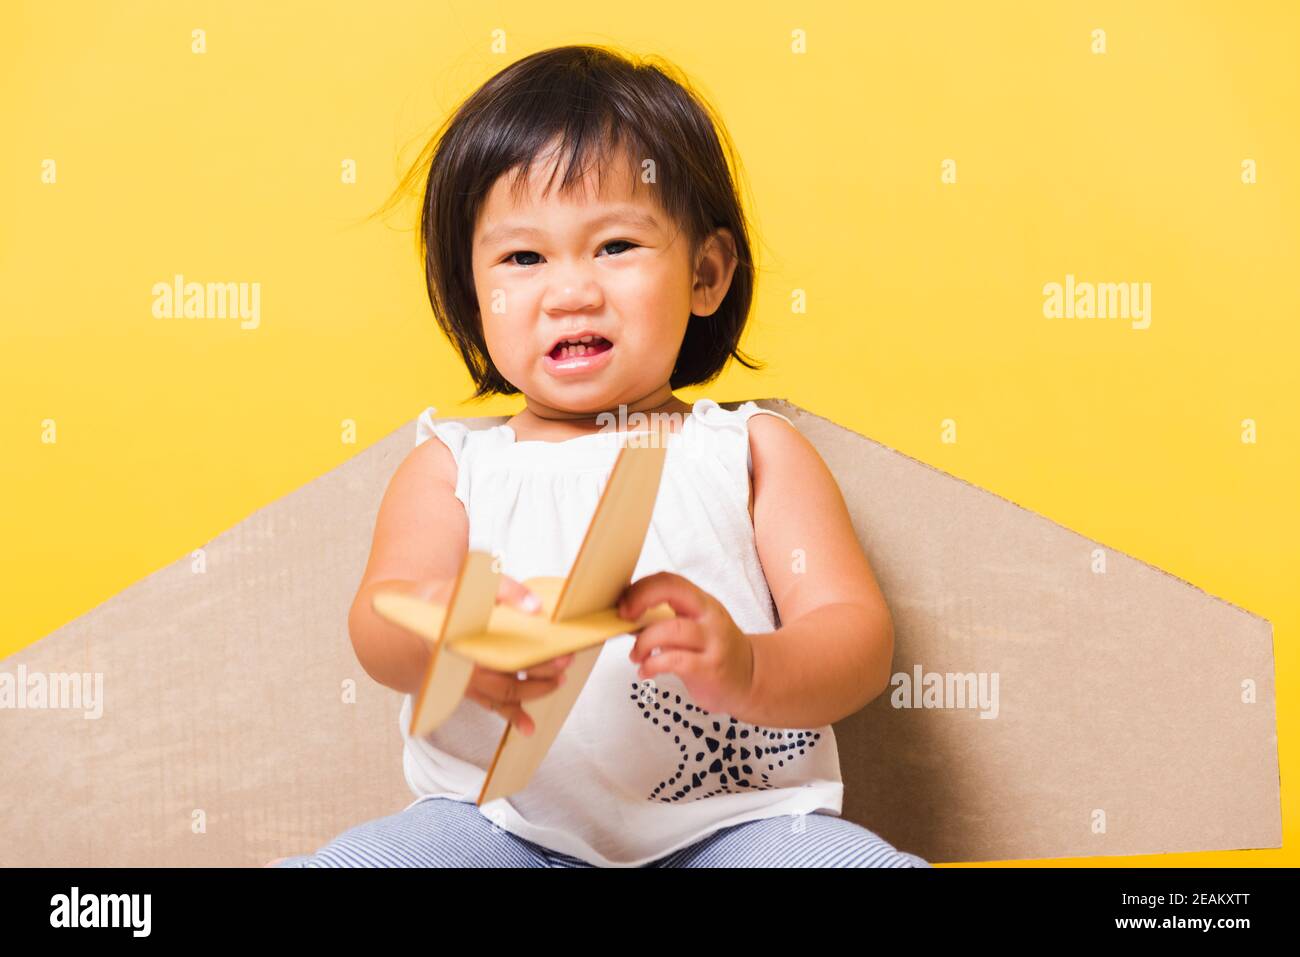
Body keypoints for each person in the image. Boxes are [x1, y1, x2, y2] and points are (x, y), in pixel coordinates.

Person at [274, 44, 930, 868]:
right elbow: (375, 624)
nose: (571, 290)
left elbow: (857, 638)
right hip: (496, 826)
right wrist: (439, 634)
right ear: (472, 293)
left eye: (616, 246)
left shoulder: (750, 450)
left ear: (706, 272)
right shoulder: (453, 465)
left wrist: (749, 664)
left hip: (739, 829)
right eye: (523, 258)